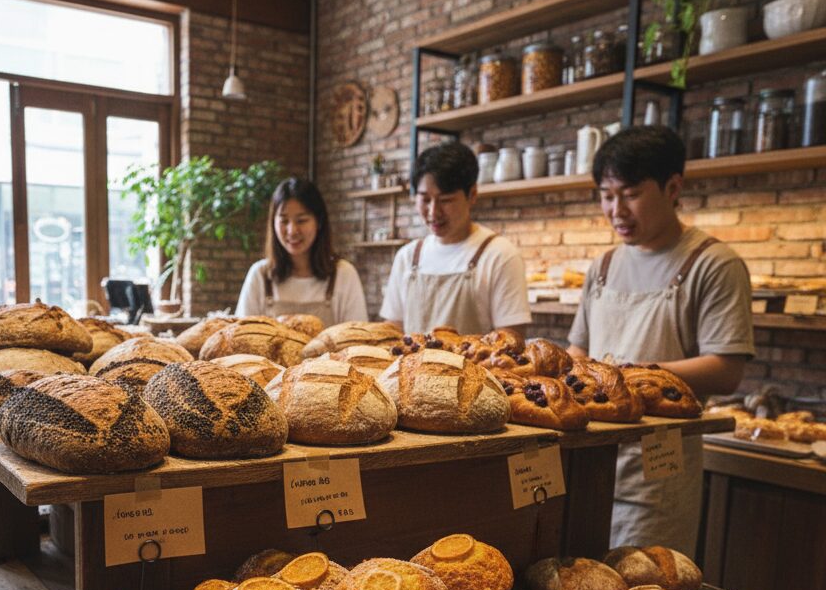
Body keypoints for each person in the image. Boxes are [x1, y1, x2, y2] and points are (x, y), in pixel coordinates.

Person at [567, 126, 754, 556]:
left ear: (673, 187)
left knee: (646, 584)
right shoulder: (603, 266)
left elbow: (726, 369)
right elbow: (579, 350)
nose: (616, 210)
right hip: (588, 461)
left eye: (630, 194)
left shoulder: (712, 264)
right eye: (606, 195)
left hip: (657, 473)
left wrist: (626, 378)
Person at [379, 141, 530, 335]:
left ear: (472, 195)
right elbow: (392, 332)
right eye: (425, 199)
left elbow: (511, 341)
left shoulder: (500, 255)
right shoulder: (407, 257)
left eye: (446, 200)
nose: (433, 212)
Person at [235, 177, 368, 326]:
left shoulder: (344, 274)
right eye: (284, 221)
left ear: (319, 222)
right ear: (273, 223)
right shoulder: (260, 275)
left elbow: (358, 336)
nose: (292, 231)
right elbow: (241, 334)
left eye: (301, 220)